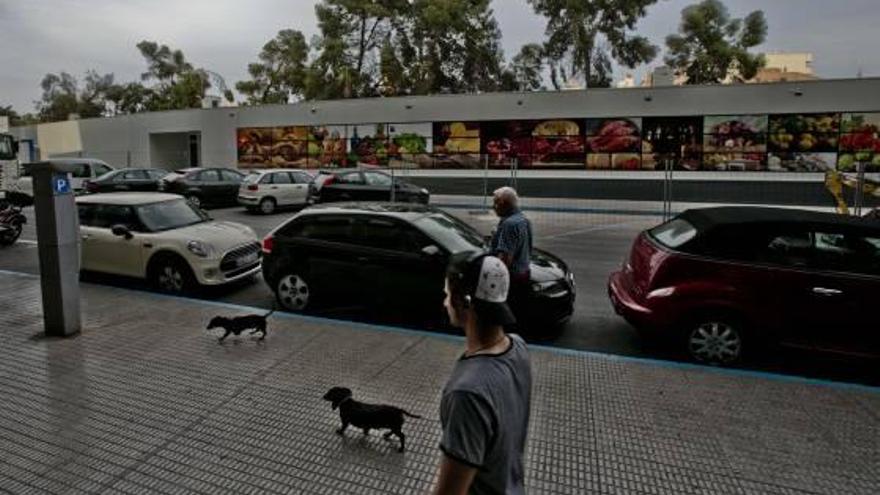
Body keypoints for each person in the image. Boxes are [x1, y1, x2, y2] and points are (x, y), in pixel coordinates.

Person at [433, 252, 532, 495]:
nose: (445, 303)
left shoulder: (467, 393)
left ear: (461, 301)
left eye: (447, 295)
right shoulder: (518, 347)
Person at [489, 187, 532, 328]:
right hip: (523, 271)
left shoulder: (509, 224)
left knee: (505, 314)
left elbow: (505, 260)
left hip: (511, 277)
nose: (493, 206)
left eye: (495, 203)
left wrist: (492, 282)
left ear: (504, 204)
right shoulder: (523, 219)